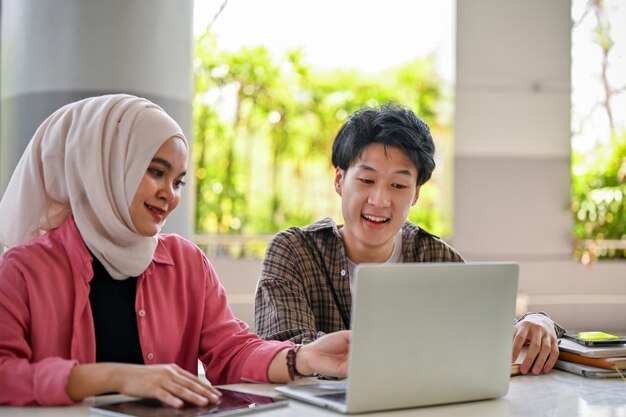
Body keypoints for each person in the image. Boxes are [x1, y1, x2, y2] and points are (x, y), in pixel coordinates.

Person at [0, 94, 349, 407]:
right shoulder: (24, 268)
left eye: (178, 181)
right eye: (156, 172)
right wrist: (117, 377)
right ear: (103, 166)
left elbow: (231, 351)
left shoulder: (186, 262)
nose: (171, 194)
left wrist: (302, 358)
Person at [254, 103, 565, 375]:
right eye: (366, 180)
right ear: (339, 180)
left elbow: (492, 328)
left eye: (398, 186)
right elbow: (284, 351)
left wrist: (539, 322)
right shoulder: (294, 252)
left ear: (416, 193)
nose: (379, 200)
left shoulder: (434, 255)